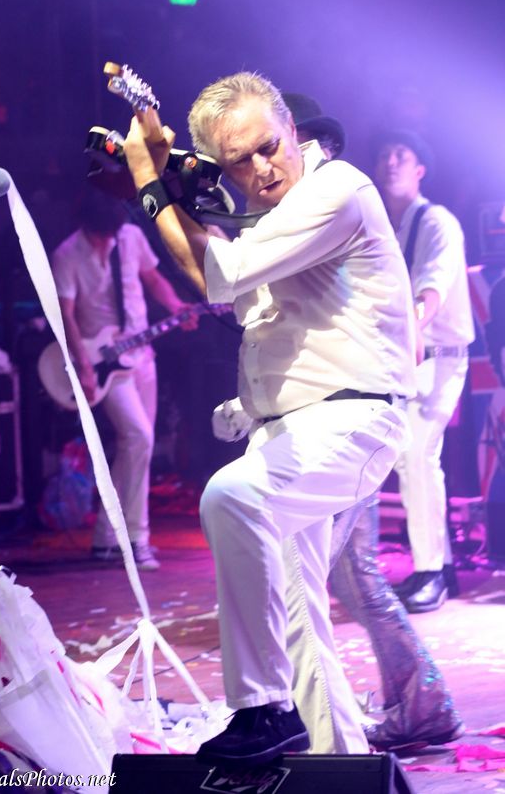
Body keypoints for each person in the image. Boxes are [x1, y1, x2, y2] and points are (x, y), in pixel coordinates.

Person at [121, 71, 416, 762]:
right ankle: (340, 763)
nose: (261, 168)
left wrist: (149, 181)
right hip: (290, 432)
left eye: (269, 147)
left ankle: (261, 710)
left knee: (232, 497)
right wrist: (162, 184)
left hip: (353, 423)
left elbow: (214, 275)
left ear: (292, 130)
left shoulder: (338, 188)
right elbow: (238, 289)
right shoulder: (269, 224)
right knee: (296, 617)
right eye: (239, 161)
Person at [212, 95, 463, 752]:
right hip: (325, 416)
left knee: (352, 572)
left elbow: (427, 292)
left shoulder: (407, 216)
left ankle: (418, 701)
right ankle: (348, 740)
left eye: (289, 149)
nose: (275, 170)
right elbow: (289, 335)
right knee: (320, 585)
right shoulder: (295, 233)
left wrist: (410, 326)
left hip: (384, 396)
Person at [51, 179, 195, 570]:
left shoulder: (129, 237)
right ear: (86, 227)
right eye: (99, 237)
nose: (105, 243)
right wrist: (83, 365)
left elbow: (154, 279)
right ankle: (134, 539)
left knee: (138, 449)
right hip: (102, 361)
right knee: (138, 437)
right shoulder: (67, 255)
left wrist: (175, 306)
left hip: (141, 355)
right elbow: (65, 315)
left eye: (109, 236)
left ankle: (109, 538)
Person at [374, 131, 475, 612]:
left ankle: (431, 570)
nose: (391, 161)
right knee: (407, 459)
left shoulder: (437, 222)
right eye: (385, 154)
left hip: (440, 357)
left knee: (416, 456)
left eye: (402, 154)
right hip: (404, 359)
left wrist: (412, 329)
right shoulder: (384, 229)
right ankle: (442, 567)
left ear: (420, 170)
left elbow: (432, 287)